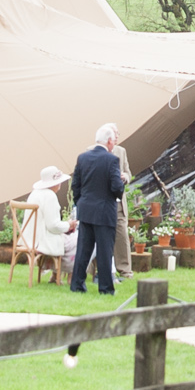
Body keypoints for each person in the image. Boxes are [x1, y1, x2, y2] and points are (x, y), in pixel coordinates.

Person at [68, 123, 126, 295]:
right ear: (109, 141)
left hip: (85, 211)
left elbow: (75, 185)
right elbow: (116, 186)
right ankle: (106, 288)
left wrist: (81, 202)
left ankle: (77, 285)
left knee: (83, 250)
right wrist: (119, 188)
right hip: (104, 211)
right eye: (114, 140)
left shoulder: (82, 158)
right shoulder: (111, 160)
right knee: (104, 251)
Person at [17, 165, 75, 278]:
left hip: (28, 239)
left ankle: (53, 273)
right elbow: (53, 226)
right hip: (42, 241)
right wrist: (69, 225)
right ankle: (66, 276)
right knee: (77, 240)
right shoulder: (50, 196)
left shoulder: (34, 194)